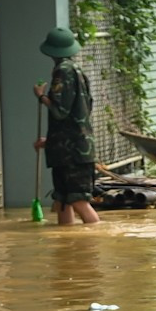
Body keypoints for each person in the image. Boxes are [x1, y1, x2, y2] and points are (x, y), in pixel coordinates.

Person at [34, 25, 101, 225]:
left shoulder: (62, 72)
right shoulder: (78, 71)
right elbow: (81, 111)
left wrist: (41, 96)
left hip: (71, 153)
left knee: (79, 201)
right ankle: (68, 246)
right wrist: (52, 141)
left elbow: (59, 111)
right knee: (63, 200)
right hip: (73, 148)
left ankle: (95, 241)